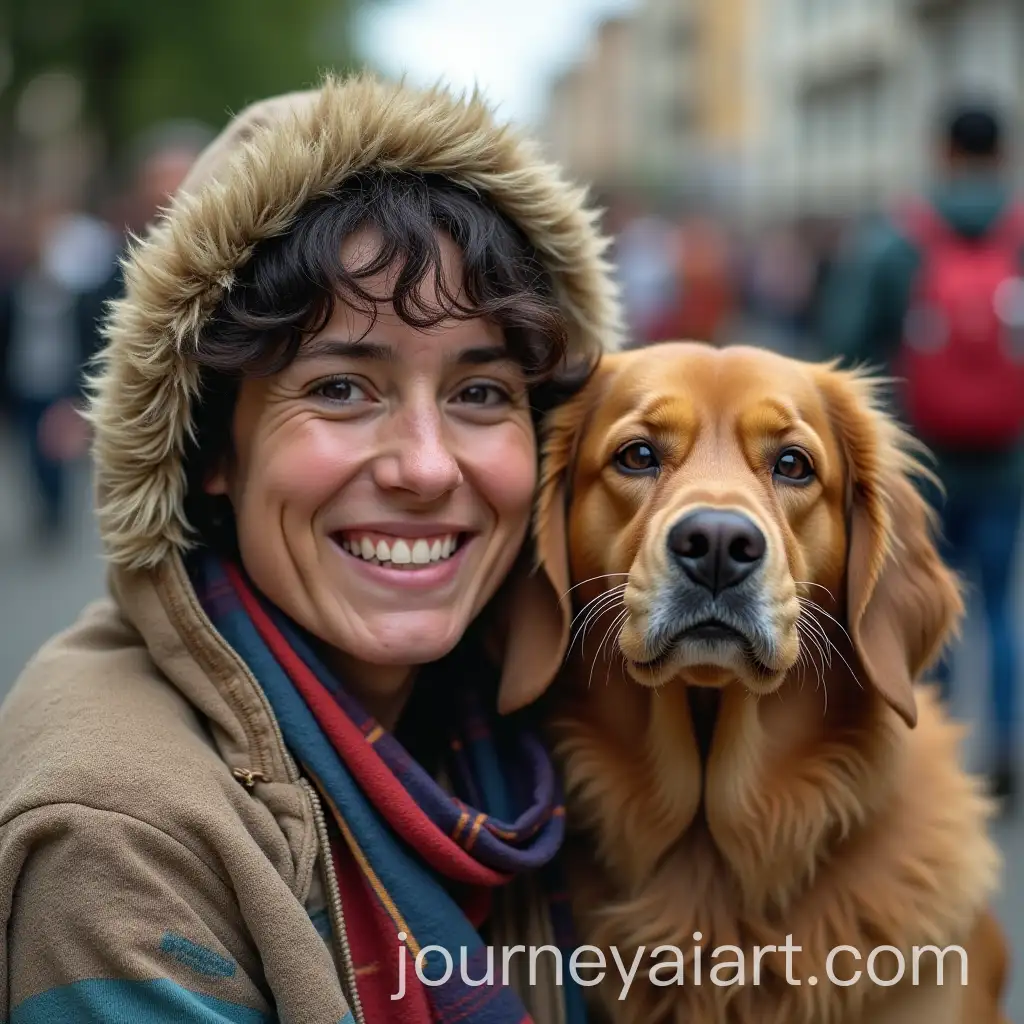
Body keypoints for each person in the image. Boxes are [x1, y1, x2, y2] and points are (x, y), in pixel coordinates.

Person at [0, 74, 622, 1023]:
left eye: (482, 393)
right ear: (213, 449)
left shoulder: (551, 718)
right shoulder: (117, 838)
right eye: (339, 388)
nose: (425, 466)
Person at [818, 98, 1024, 809]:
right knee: (998, 608)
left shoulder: (897, 237)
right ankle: (1004, 746)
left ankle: (929, 742)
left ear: (939, 149)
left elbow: (844, 343)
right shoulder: (1019, 232)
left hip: (917, 461)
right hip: (1007, 461)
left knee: (920, 601)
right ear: (1002, 150)